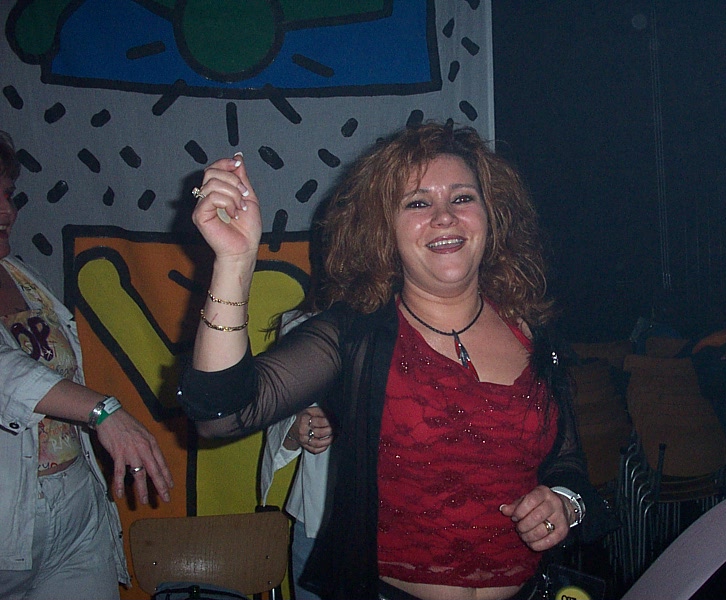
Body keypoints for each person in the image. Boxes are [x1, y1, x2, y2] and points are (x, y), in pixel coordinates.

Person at [178, 122, 618, 600]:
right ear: (384, 228)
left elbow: (568, 465)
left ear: (492, 215)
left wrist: (565, 505)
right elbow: (221, 416)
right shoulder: (354, 335)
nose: (445, 217)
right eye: (418, 203)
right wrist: (234, 261)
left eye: (462, 198)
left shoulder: (533, 334)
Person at [0, 130, 175, 600]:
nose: (7, 211)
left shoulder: (20, 274)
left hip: (75, 505)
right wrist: (103, 412)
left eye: (8, 195)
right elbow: (7, 372)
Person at [259, 310, 333, 600]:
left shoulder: (426, 319)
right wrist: (300, 427)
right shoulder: (308, 325)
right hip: (318, 528)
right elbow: (281, 429)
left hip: (407, 529)